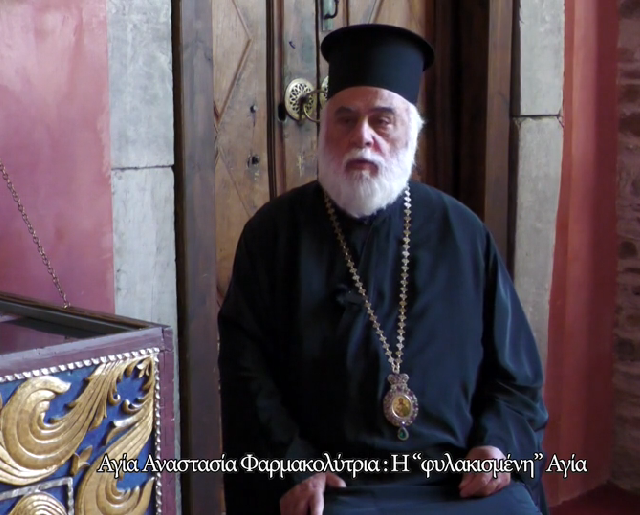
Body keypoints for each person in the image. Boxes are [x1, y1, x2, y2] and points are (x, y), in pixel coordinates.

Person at [217, 24, 549, 515]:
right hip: (334, 485)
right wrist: (292, 464)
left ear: (411, 132)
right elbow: (246, 371)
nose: (362, 137)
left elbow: (515, 373)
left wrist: (497, 445)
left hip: (456, 479)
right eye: (345, 119)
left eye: (382, 120)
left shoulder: (462, 233)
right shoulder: (272, 235)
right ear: (324, 129)